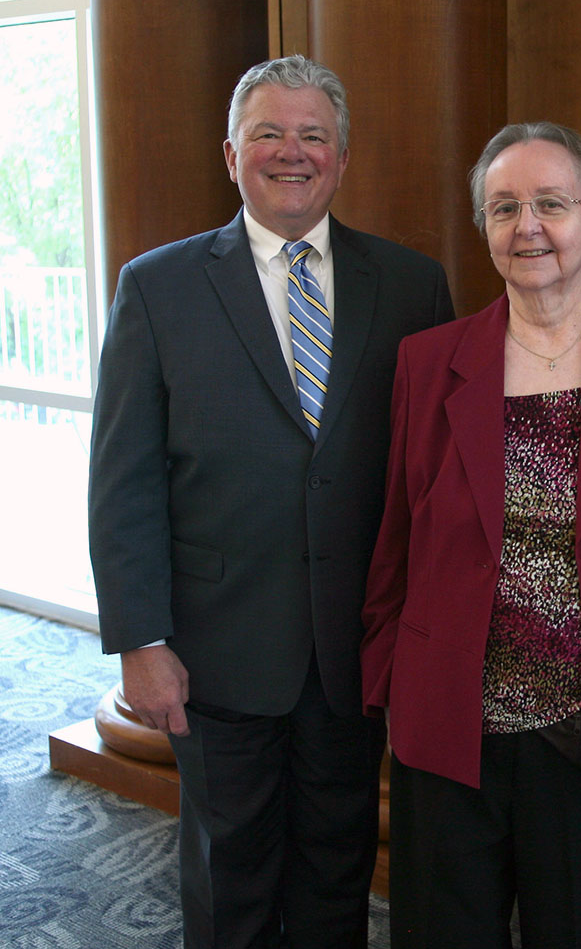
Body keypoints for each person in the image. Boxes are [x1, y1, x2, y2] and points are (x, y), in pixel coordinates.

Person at [88, 54, 454, 948]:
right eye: (269, 134)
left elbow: (432, 478)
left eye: (313, 136)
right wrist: (140, 640)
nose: (292, 152)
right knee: (232, 874)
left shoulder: (411, 286)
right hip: (215, 650)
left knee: (337, 869)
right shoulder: (158, 285)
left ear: (342, 156)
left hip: (352, 651)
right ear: (230, 154)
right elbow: (122, 478)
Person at [360, 121, 581, 948]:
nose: (527, 225)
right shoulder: (429, 359)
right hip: (453, 722)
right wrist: (386, 676)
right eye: (504, 207)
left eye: (551, 204)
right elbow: (396, 537)